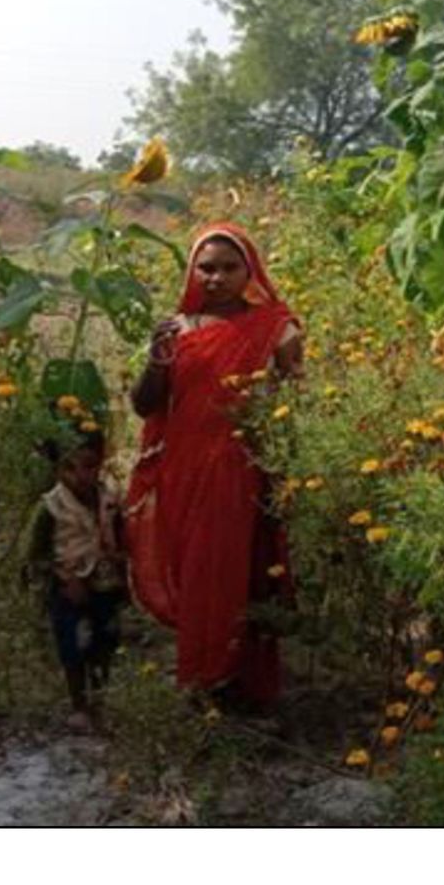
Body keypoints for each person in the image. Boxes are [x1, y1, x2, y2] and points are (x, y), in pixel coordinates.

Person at [126, 222, 302, 710]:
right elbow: (145, 406)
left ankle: (231, 686)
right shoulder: (174, 331)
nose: (217, 277)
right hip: (183, 471)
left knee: (232, 573)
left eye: (229, 267)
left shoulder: (277, 327)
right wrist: (157, 362)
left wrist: (287, 466)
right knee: (194, 575)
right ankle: (205, 685)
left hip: (241, 471)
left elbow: (297, 402)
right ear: (192, 272)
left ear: (250, 270)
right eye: (207, 268)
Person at [26, 429, 127, 733]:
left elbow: (121, 538)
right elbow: (35, 555)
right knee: (73, 646)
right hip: (69, 590)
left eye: (89, 465)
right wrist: (64, 578)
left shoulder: (109, 498)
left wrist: (123, 572)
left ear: (100, 463)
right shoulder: (51, 507)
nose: (81, 475)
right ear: (59, 470)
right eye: (71, 467)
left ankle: (99, 703)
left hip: (105, 585)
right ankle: (79, 706)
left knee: (104, 644)